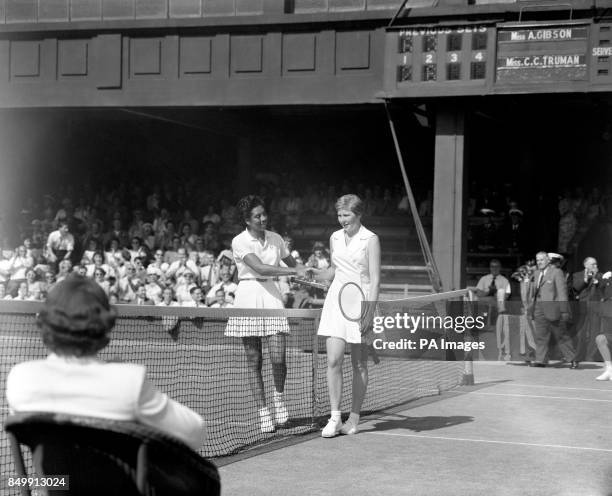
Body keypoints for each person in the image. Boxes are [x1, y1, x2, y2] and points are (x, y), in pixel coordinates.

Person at [6, 275, 205, 450]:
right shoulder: (128, 381)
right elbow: (195, 432)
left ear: (46, 321)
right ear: (105, 322)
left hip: (54, 486)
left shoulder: (20, 378)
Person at [225, 195, 308, 433]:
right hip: (249, 296)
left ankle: (279, 402)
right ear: (247, 220)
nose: (263, 219)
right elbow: (260, 268)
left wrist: (307, 273)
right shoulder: (239, 241)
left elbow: (294, 266)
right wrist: (293, 269)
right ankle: (263, 412)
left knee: (279, 357)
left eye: (264, 214)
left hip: (271, 296)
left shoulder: (276, 238)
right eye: (257, 216)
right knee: (254, 361)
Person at [311, 194, 381, 438]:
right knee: (333, 360)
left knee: (359, 363)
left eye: (346, 215)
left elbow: (375, 280)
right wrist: (317, 274)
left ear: (358, 214)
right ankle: (334, 417)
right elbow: (333, 270)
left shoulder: (370, 239)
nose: (342, 220)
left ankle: (353, 418)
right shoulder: (334, 237)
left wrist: (369, 312)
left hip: (360, 303)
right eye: (339, 215)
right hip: (335, 301)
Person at [528, 251, 576, 368]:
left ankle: (572, 359)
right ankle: (541, 360)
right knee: (541, 336)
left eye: (542, 260)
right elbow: (534, 292)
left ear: (548, 260)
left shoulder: (556, 272)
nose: (539, 262)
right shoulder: (536, 273)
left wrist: (564, 310)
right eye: (537, 260)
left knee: (561, 335)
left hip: (553, 309)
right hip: (539, 308)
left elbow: (562, 293)